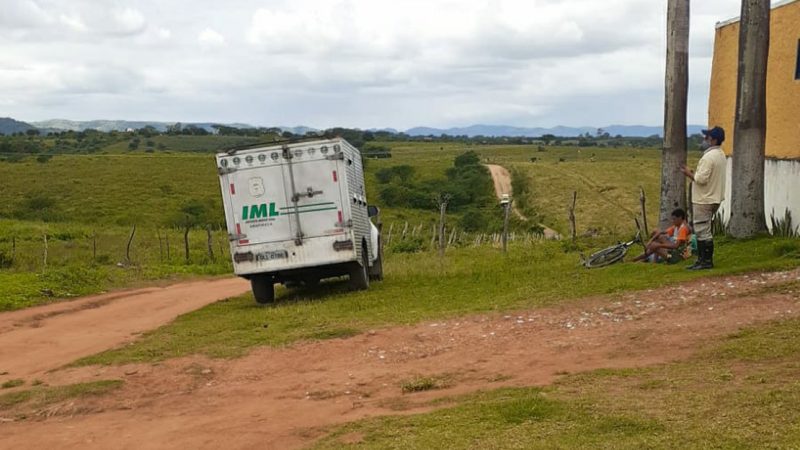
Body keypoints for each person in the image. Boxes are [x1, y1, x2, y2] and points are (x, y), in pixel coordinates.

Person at [680, 126, 727, 270]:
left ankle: (705, 261)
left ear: (713, 140)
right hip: (714, 197)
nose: (704, 140)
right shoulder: (720, 154)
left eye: (706, 138)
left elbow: (701, 179)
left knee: (702, 230)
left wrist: (689, 173)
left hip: (704, 199)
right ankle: (701, 260)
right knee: (704, 229)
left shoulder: (708, 157)